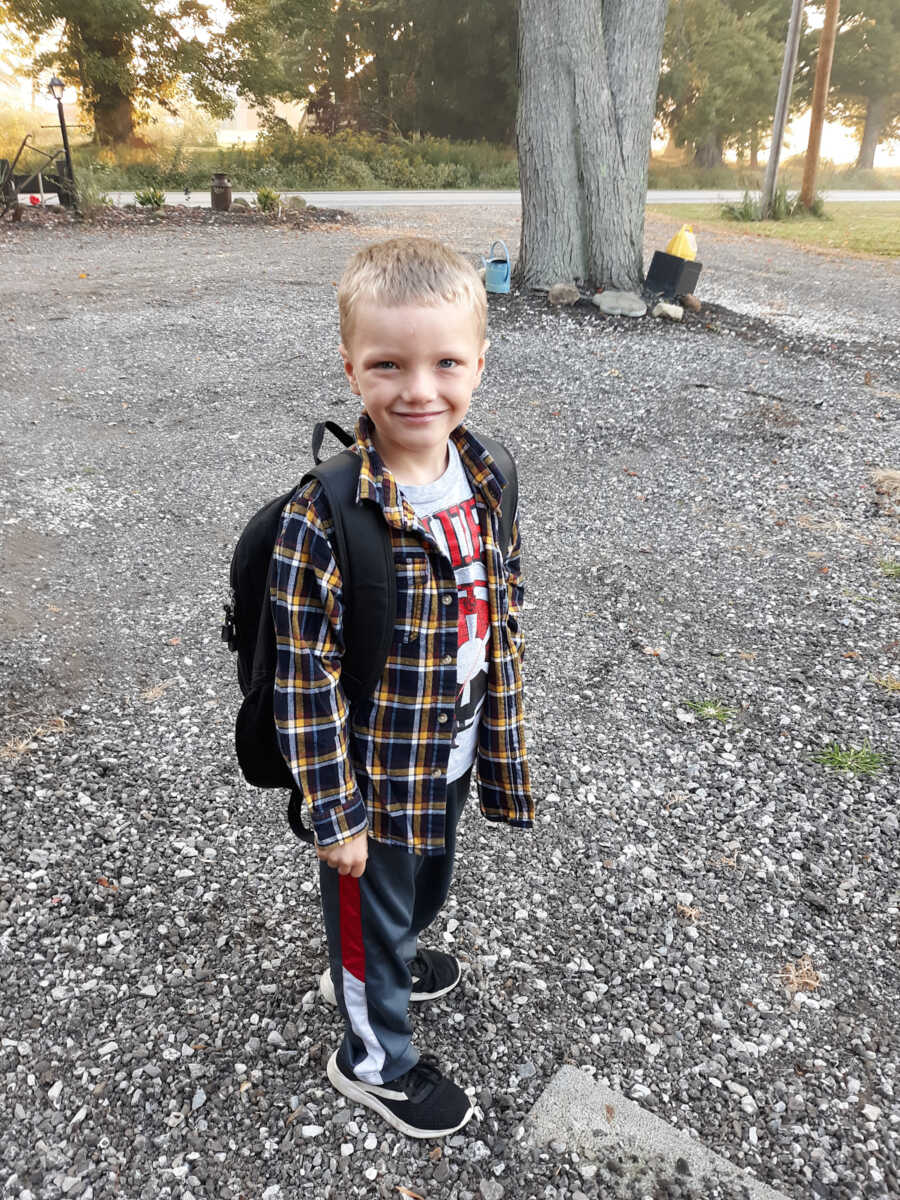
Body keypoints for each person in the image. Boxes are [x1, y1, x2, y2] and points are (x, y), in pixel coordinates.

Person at [270, 236, 532, 1139]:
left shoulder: (487, 474)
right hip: (372, 772)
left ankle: (384, 954)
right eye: (389, 365)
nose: (419, 390)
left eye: (445, 363)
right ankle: (373, 1057)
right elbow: (302, 678)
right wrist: (334, 811)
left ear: (479, 365)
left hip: (450, 744)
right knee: (368, 901)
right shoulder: (326, 514)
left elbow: (502, 589)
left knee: (426, 880)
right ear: (351, 368)